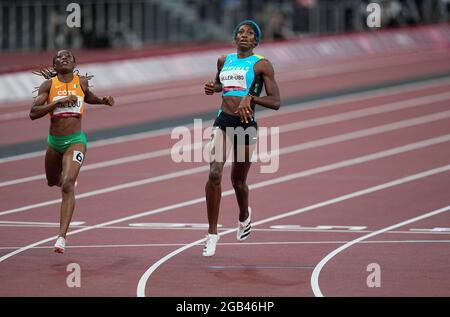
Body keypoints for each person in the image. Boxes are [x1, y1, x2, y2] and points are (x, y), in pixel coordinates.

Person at [203, 20, 281, 256]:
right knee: (215, 173)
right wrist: (213, 88)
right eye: (240, 32)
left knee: (238, 181)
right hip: (224, 121)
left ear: (256, 41)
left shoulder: (262, 65)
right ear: (235, 39)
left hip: (246, 125)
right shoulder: (223, 61)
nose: (244, 35)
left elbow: (276, 102)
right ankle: (212, 234)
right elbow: (221, 84)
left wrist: (252, 99)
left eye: (250, 33)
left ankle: (244, 215)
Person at [30, 50, 115, 254]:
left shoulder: (82, 82)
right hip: (54, 142)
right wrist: (57, 102)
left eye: (68, 56)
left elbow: (88, 97)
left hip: (76, 142)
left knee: (67, 185)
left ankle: (61, 237)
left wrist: (103, 101)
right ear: (55, 65)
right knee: (52, 181)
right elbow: (33, 113)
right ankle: (64, 179)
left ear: (75, 63)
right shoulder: (48, 86)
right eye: (59, 57)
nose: (64, 58)